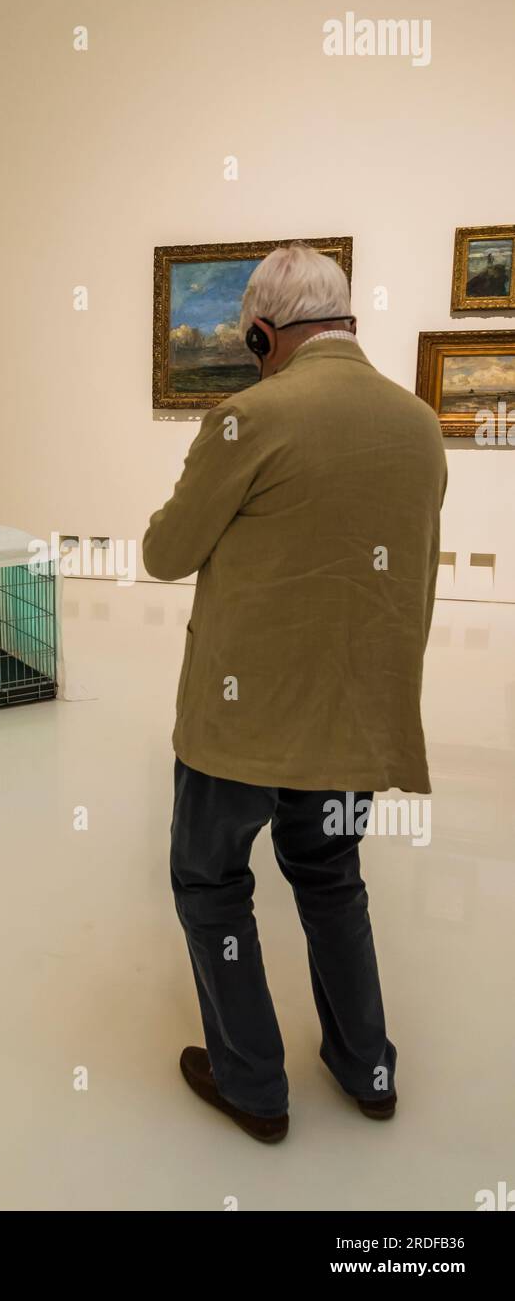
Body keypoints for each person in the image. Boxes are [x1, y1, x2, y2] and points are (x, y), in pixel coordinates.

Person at [143, 242, 447, 1144]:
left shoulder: (249, 415)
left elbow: (163, 554)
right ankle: (368, 1070)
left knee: (210, 884)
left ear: (263, 334)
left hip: (240, 725)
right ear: (346, 322)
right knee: (331, 882)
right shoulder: (418, 423)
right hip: (351, 720)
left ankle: (253, 1086)